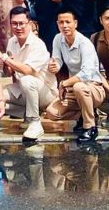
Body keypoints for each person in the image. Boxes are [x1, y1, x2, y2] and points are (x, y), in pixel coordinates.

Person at [0, 6, 57, 142]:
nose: (18, 27)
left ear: (29, 24)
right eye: (14, 24)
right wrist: (7, 64)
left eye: (21, 23)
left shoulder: (38, 44)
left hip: (45, 93)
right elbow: (9, 73)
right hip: (24, 89)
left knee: (27, 80)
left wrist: (3, 57)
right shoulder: (12, 41)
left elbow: (27, 70)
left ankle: (35, 122)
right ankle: (26, 114)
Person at [43, 9, 105, 143]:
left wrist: (64, 83)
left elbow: (86, 73)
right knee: (51, 113)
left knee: (79, 87)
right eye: (61, 22)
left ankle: (90, 127)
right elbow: (57, 59)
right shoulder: (58, 39)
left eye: (68, 22)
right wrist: (55, 66)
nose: (64, 26)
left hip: (93, 88)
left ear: (75, 23)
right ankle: (86, 113)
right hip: (73, 89)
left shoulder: (84, 43)